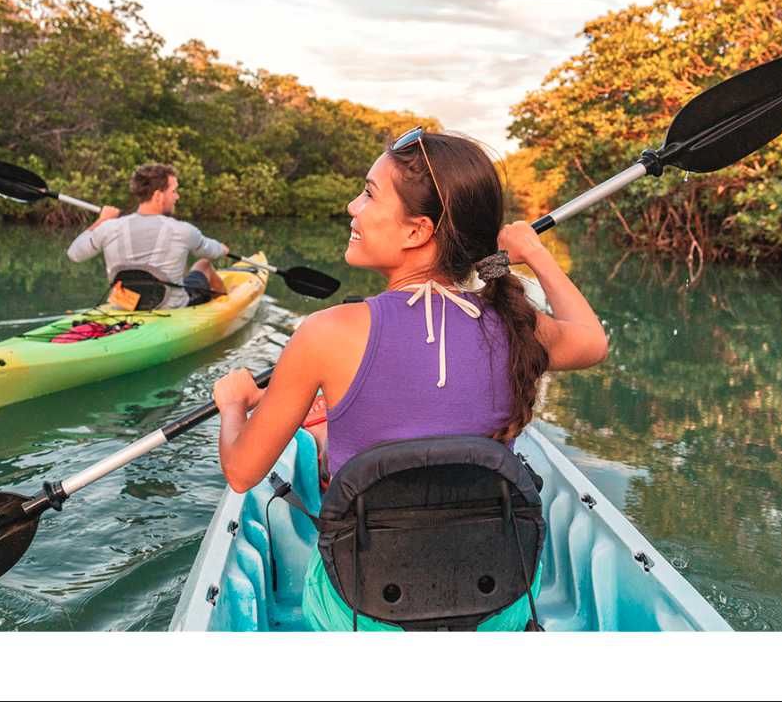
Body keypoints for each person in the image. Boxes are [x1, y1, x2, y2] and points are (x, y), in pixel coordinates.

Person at [209, 127, 609, 630]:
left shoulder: (325, 333)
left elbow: (243, 473)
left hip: (364, 614)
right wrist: (533, 252)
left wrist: (232, 403)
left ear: (417, 230)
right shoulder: (516, 323)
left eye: (369, 194)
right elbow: (592, 340)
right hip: (496, 607)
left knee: (326, 441)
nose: (353, 207)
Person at [66, 163, 229, 308]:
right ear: (158, 195)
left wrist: (101, 220)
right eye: (174, 191)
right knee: (203, 265)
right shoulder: (183, 230)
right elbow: (212, 251)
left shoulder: (109, 227)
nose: (177, 197)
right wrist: (222, 249)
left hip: (124, 306)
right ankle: (226, 307)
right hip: (169, 307)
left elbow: (74, 254)